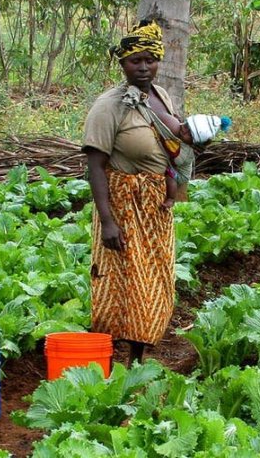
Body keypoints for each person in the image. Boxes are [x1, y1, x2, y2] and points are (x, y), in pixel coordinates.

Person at [82, 19, 181, 367]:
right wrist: (107, 221)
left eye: (149, 60)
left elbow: (173, 143)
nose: (143, 67)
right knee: (120, 282)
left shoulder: (161, 96)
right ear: (122, 63)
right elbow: (95, 166)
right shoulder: (108, 106)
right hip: (124, 203)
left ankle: (137, 361)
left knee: (153, 280)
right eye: (135, 60)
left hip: (154, 205)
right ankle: (107, 362)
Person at [161, 114, 232, 210]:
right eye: (186, 125)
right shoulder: (182, 135)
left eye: (190, 134)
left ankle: (170, 199)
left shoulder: (186, 152)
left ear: (194, 141)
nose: (184, 130)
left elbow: (175, 161)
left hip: (180, 175)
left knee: (169, 175)